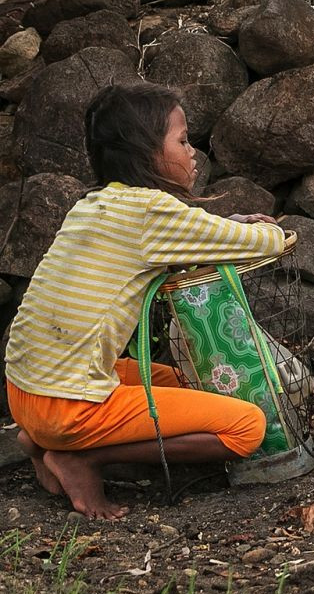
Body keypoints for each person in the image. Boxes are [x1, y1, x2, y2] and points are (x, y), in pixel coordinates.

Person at [5, 82, 285, 519]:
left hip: (26, 392)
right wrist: (266, 229)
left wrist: (221, 226)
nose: (192, 152)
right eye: (182, 140)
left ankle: (41, 441)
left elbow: (184, 235)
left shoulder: (95, 205)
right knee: (246, 427)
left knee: (175, 380)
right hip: (67, 406)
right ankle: (83, 457)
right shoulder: (152, 212)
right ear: (147, 151)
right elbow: (263, 243)